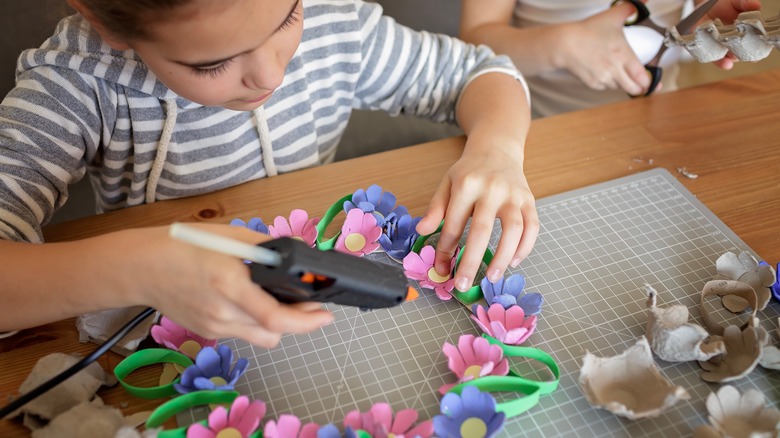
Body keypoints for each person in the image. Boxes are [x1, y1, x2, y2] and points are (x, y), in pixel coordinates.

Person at [0, 0, 538, 346]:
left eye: (286, 17)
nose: (271, 73)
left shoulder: (336, 21)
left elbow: (482, 72)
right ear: (102, 21)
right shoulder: (75, 84)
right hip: (170, 324)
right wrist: (141, 266)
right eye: (212, 64)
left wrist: (496, 149)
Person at [459, 0, 761, 118]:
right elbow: (472, 44)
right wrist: (563, 46)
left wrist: (704, 7)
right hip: (536, 128)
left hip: (658, 118)